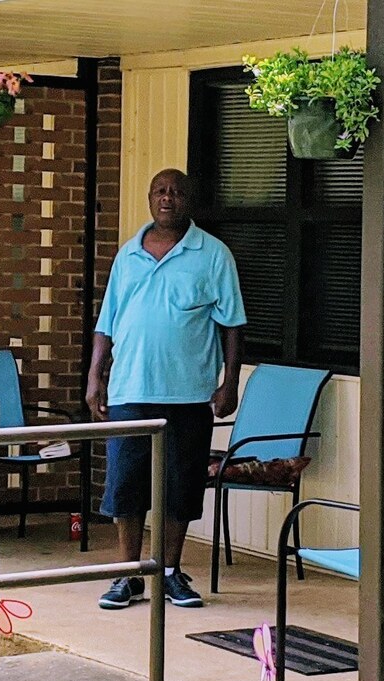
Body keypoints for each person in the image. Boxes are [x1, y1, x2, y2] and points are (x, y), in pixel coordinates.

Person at [87, 168, 246, 609]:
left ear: (189, 200)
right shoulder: (128, 255)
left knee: (180, 487)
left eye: (176, 192)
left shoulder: (213, 254)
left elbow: (232, 325)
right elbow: (107, 322)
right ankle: (127, 575)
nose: (168, 198)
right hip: (130, 390)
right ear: (149, 197)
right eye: (159, 190)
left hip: (189, 393)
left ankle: (171, 572)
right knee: (126, 485)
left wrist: (228, 382)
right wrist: (94, 375)